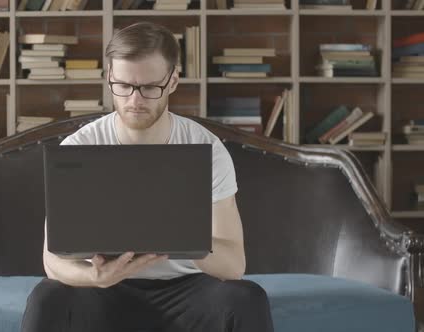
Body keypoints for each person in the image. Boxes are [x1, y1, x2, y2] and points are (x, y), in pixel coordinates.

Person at [21, 21, 274, 332]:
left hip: (186, 289)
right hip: (103, 290)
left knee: (246, 298)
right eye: (123, 86)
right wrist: (95, 277)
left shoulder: (206, 148)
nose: (135, 100)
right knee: (47, 297)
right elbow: (52, 261)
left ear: (173, 81)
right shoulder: (79, 147)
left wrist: (186, 237)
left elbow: (234, 266)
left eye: (150, 87)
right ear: (109, 78)